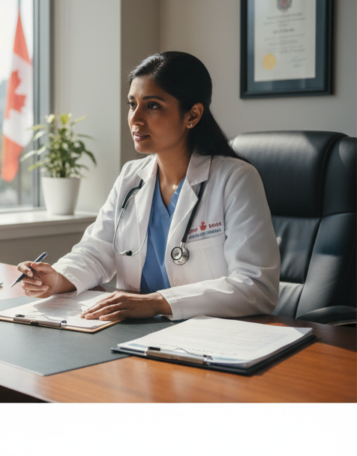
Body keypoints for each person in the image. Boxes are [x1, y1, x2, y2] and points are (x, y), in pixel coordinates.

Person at [17, 51, 280, 322]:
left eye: (152, 105)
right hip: (131, 333)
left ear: (192, 114)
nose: (135, 118)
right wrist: (57, 279)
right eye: (133, 104)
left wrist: (157, 303)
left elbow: (257, 286)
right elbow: (97, 250)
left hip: (207, 335)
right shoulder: (132, 177)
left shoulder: (235, 179)